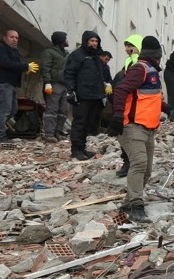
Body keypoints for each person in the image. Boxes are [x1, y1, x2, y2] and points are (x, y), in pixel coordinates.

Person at [108, 35, 165, 223]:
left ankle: (127, 203)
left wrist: (166, 108)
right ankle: (136, 206)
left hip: (148, 129)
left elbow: (147, 97)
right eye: (158, 56)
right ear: (155, 56)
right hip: (132, 127)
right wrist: (117, 116)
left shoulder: (152, 73)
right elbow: (121, 89)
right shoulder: (139, 69)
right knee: (139, 163)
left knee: (147, 171)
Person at [63, 31, 106, 161]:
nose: (94, 43)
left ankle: (82, 148)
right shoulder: (77, 55)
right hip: (82, 95)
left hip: (95, 96)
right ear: (86, 41)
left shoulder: (96, 58)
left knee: (88, 123)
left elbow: (99, 76)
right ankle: (76, 150)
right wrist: (71, 90)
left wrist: (102, 94)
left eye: (96, 41)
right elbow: (69, 73)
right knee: (79, 122)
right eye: (91, 41)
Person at [0, 30, 38, 142]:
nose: (15, 40)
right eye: (12, 37)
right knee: (5, 110)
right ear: (5, 37)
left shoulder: (14, 51)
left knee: (13, 109)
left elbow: (14, 65)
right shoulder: (0, 49)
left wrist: (24, 69)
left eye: (16, 38)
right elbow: (5, 63)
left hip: (10, 84)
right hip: (2, 83)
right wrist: (25, 67)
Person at [113, 34, 144, 177]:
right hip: (127, 105)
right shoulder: (128, 62)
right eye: (126, 46)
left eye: (131, 46)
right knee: (125, 134)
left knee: (134, 137)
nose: (127, 49)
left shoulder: (140, 64)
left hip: (139, 107)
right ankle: (128, 162)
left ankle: (133, 164)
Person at [39, 31, 69, 142]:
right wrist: (47, 82)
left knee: (64, 110)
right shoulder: (49, 52)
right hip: (53, 84)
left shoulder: (65, 54)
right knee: (52, 110)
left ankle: (57, 132)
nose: (67, 40)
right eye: (65, 38)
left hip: (64, 85)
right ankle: (49, 134)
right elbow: (45, 68)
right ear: (61, 40)